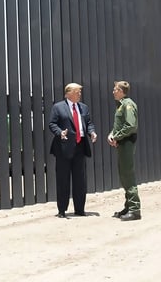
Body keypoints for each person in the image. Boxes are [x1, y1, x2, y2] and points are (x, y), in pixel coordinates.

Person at [48, 82, 97, 218]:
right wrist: (60, 132)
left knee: (80, 180)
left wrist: (92, 132)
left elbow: (88, 123)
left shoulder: (84, 107)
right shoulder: (58, 107)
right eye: (77, 92)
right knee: (63, 179)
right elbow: (52, 124)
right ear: (68, 93)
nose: (79, 94)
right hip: (64, 148)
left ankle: (80, 209)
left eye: (80, 92)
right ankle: (62, 210)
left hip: (80, 146)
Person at [107, 80, 141, 221]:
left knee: (128, 175)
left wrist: (116, 136)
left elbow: (130, 126)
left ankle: (135, 210)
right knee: (124, 175)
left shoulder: (128, 105)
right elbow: (120, 125)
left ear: (121, 91)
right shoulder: (121, 105)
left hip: (127, 143)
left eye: (115, 89)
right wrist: (112, 134)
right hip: (122, 143)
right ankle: (128, 207)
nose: (113, 92)